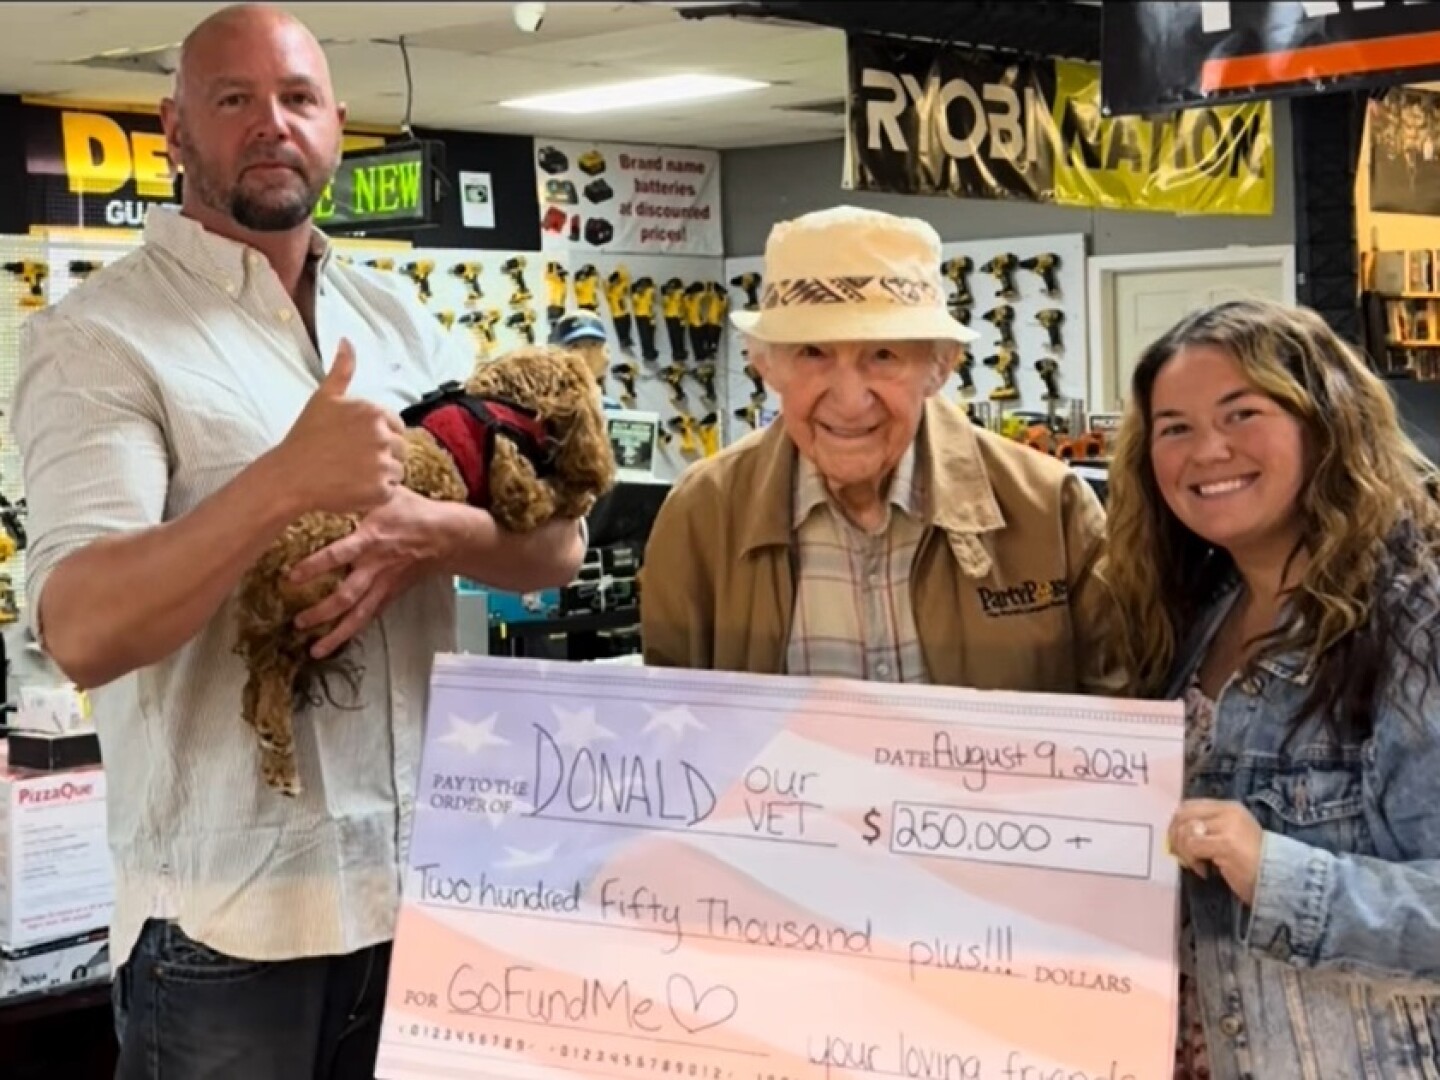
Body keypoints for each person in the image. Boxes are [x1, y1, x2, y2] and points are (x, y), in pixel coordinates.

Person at [10, 5, 584, 1077]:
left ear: (336, 124)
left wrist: (422, 533)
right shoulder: (96, 341)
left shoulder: (402, 319)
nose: (271, 123)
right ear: (174, 129)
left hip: (424, 894)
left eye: (297, 98)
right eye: (234, 99)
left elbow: (557, 547)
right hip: (232, 928)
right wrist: (281, 484)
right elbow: (81, 631)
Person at [1099, 298, 1440, 1078]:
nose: (1207, 450)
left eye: (1241, 413)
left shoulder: (1417, 625)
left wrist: (1277, 875)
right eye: (1174, 428)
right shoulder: (1191, 616)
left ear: (1325, 423)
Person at [640, 205, 1116, 693]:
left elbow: (1121, 709)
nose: (850, 401)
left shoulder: (1049, 510)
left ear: (940, 367)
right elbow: (665, 719)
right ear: (766, 365)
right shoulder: (703, 514)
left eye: (884, 355)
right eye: (813, 353)